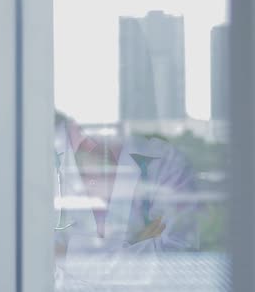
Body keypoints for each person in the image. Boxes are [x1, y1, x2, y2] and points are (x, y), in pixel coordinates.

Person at [54, 111, 199, 288]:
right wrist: (141, 252)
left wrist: (67, 256)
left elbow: (179, 260)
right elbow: (31, 260)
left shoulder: (168, 161)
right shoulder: (28, 155)